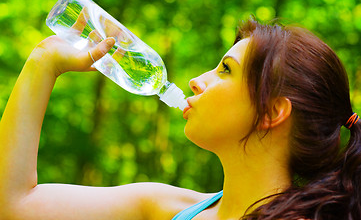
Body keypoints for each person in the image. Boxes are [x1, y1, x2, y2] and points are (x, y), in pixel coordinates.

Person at [0, 17, 360, 220]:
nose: (196, 80)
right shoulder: (167, 207)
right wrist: (43, 61)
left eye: (225, 70)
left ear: (271, 112)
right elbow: (15, 205)